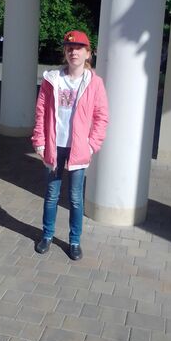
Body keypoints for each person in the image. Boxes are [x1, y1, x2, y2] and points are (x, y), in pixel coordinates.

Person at [32, 30, 108, 260]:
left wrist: (91, 145)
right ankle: (47, 235)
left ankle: (74, 241)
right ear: (65, 52)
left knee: (75, 198)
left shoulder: (94, 83)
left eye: (79, 48)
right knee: (51, 195)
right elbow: (41, 112)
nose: (73, 52)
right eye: (69, 48)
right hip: (55, 147)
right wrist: (40, 141)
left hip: (78, 149)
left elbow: (101, 117)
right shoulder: (52, 80)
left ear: (88, 53)